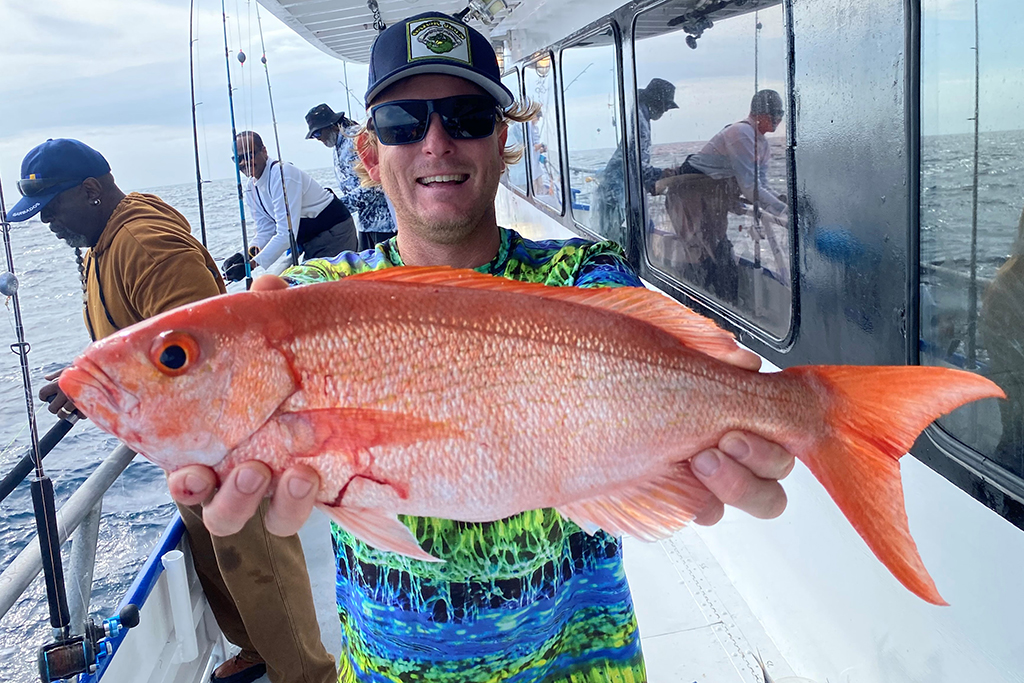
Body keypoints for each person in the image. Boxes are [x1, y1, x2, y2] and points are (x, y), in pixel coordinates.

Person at [166, 12, 796, 683]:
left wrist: (752, 411)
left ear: (502, 141)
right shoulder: (314, 297)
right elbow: (282, 311)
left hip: (583, 662)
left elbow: (636, 332)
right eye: (404, 123)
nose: (437, 141)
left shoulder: (582, 278)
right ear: (369, 154)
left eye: (465, 116)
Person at [7, 138, 337, 683]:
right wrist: (87, 376)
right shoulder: (105, 241)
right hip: (185, 444)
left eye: (51, 207)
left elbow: (203, 352)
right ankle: (255, 650)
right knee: (217, 556)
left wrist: (99, 389)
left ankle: (308, 674)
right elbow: (141, 336)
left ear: (90, 191)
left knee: (259, 563)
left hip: (227, 438)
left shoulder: (144, 243)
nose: (46, 222)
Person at [657, 89, 789, 302]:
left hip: (711, 199)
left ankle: (720, 305)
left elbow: (762, 185)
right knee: (699, 255)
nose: (779, 118)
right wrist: (783, 211)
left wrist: (784, 208)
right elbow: (750, 188)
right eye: (776, 113)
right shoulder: (741, 134)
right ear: (760, 113)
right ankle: (694, 307)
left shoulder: (762, 144)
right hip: (687, 198)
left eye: (781, 113)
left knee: (718, 251)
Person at [223, 131, 357, 281]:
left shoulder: (282, 174)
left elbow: (286, 235)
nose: (243, 163)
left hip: (334, 232)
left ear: (264, 151)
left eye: (248, 155)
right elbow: (266, 231)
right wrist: (243, 256)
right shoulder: (250, 187)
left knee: (322, 287)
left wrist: (252, 265)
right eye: (238, 159)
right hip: (305, 238)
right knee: (281, 282)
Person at [593, 77, 680, 243]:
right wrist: (655, 179)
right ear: (656, 103)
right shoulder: (640, 121)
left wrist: (658, 174)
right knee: (623, 235)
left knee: (611, 232)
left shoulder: (638, 112)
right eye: (665, 106)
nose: (665, 111)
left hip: (614, 184)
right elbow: (636, 162)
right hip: (618, 188)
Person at [305, 103, 398, 251]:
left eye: (317, 133)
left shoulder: (355, 138)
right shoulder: (337, 146)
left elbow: (375, 184)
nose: (318, 139)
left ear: (332, 126)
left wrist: (336, 208)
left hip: (384, 225)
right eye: (313, 136)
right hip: (365, 224)